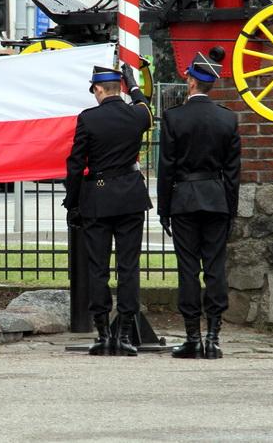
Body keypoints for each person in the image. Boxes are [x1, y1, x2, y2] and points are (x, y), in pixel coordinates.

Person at [63, 64, 153, 356]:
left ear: (99, 89)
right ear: (120, 88)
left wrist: (72, 202)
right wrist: (134, 86)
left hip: (98, 198)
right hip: (130, 196)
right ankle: (124, 334)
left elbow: (76, 164)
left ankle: (103, 334)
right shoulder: (137, 114)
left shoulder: (88, 119)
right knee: (128, 267)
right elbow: (146, 107)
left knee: (98, 268)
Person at [157, 52, 241, 360]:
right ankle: (213, 338)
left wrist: (164, 208)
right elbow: (233, 172)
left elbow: (166, 168)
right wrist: (230, 208)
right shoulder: (227, 118)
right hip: (216, 198)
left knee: (188, 269)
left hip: (184, 199)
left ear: (192, 81)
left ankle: (193, 337)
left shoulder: (174, 117)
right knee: (215, 267)